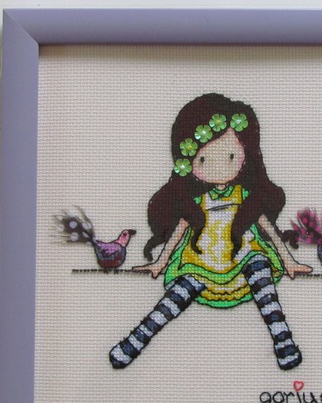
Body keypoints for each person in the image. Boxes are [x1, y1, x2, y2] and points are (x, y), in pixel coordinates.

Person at [110, 93, 311, 371]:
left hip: (243, 256)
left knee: (261, 274)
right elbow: (180, 230)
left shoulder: (243, 196)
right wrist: (160, 262)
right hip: (201, 261)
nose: (218, 167)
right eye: (203, 159)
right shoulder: (197, 203)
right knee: (174, 298)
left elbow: (266, 226)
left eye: (230, 156)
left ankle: (283, 340)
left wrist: (288, 260)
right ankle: (133, 343)